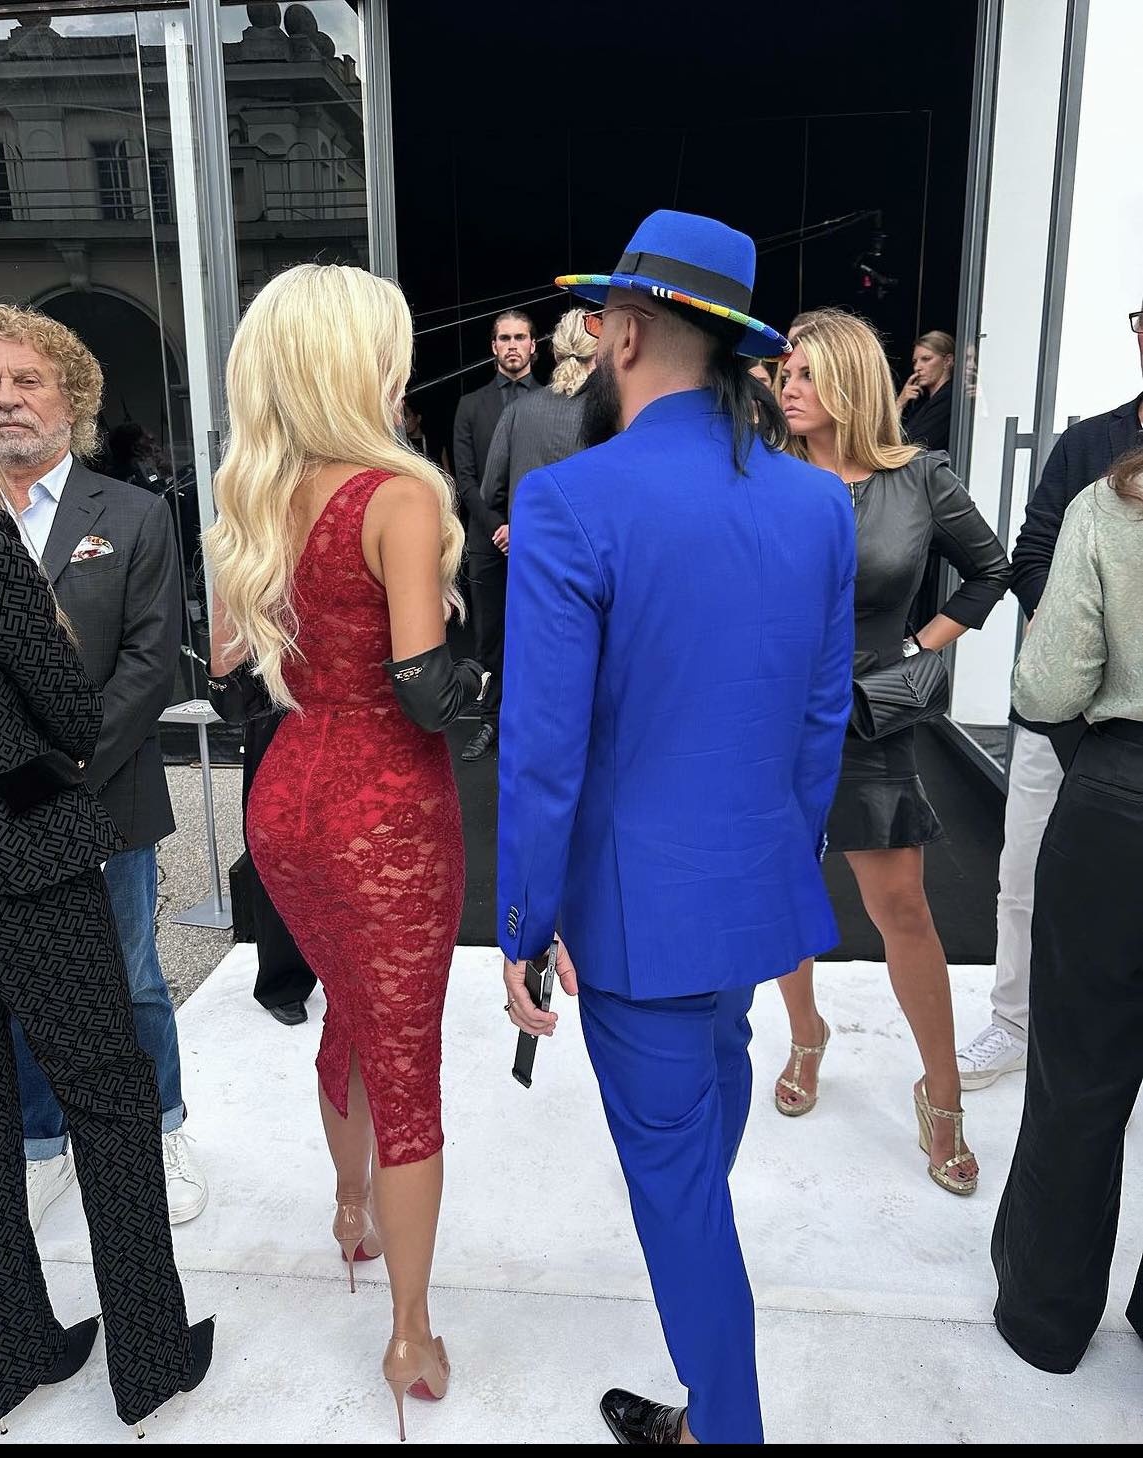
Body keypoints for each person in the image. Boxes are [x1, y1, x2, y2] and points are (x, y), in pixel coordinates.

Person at [498, 209, 856, 1445]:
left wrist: (522, 924)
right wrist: (770, 860)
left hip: (635, 917)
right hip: (743, 893)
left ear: (626, 333)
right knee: (703, 1126)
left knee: (680, 1199)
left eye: (603, 325)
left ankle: (723, 1428)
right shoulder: (815, 505)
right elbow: (818, 721)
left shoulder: (569, 499)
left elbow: (542, 751)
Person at [205, 262, 485, 1441]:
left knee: (348, 1016)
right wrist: (496, 695)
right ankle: (410, 1330)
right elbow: (423, 689)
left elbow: (228, 666)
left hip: (287, 800)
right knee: (404, 1050)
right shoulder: (396, 494)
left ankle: (347, 1208)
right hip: (386, 811)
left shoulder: (252, 494)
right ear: (355, 360)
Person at [0, 413, 213, 1436]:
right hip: (23, 855)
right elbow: (72, 713)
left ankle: (6, 1354)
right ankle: (149, 1361)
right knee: (112, 1101)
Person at [771, 308, 1010, 1196]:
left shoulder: (918, 478)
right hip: (773, 716)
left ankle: (939, 1093)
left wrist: (919, 648)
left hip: (873, 713)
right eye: (783, 374)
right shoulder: (763, 473)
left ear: (849, 381)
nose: (787, 388)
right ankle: (805, 1035)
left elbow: (992, 570)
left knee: (901, 905)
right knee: (783, 888)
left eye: (805, 374)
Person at [957, 300, 1143, 1088]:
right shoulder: (1088, 443)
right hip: (1058, 711)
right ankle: (1012, 1020)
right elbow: (1031, 550)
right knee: (1026, 873)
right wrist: (1062, 613)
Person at [992, 442, 1143, 1373]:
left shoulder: (1114, 502)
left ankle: (1044, 1316)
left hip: (1121, 800)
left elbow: (1046, 685)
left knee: (1078, 1075)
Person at [206, 664, 318, 1026]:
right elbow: (236, 703)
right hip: (278, 706)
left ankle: (359, 969)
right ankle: (283, 979)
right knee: (276, 851)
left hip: (354, 711)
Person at [452, 309, 539, 761]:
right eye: (504, 338)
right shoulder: (471, 406)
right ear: (493, 347)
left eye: (520, 337)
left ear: (534, 345)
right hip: (488, 542)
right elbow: (464, 480)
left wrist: (523, 527)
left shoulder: (552, 403)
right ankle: (489, 721)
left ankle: (529, 724)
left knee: (537, 633)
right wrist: (498, 528)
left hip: (538, 541)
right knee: (489, 636)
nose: (512, 345)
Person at [480, 306, 595, 533]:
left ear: (556, 353)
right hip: (585, 545)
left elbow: (489, 492)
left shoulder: (515, 410)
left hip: (528, 543)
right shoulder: (611, 413)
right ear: (598, 354)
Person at [896, 330, 955, 452]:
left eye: (926, 359)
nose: (917, 367)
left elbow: (912, 447)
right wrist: (900, 403)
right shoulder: (921, 401)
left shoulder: (949, 399)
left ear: (947, 361)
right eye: (915, 361)